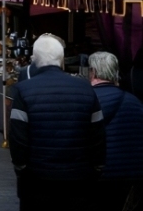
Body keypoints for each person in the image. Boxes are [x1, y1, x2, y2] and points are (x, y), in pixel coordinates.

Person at [10, 34, 105, 211]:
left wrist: (21, 168)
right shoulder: (85, 88)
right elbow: (97, 133)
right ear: (62, 59)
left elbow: (17, 137)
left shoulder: (23, 91)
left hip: (37, 179)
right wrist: (97, 167)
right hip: (78, 178)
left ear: (35, 60)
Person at [89, 51, 143, 211]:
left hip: (98, 177)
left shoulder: (85, 102)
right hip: (131, 179)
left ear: (93, 72)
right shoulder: (135, 103)